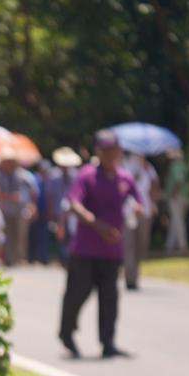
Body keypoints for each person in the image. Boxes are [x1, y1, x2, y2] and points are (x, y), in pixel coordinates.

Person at [58, 130, 144, 359]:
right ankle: (67, 332)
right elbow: (74, 204)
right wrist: (98, 225)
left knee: (110, 297)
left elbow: (139, 202)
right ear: (98, 151)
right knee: (78, 293)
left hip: (111, 251)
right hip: (85, 249)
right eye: (105, 150)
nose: (109, 154)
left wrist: (137, 209)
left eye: (113, 150)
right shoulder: (87, 176)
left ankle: (108, 342)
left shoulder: (125, 178)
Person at [0, 147, 38, 266]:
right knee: (8, 235)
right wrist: (8, 197)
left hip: (21, 210)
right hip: (6, 209)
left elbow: (32, 193)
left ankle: (20, 258)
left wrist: (33, 207)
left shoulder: (24, 176)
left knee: (21, 235)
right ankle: (9, 258)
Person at [121, 153, 158, 289]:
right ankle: (130, 278)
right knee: (129, 245)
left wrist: (153, 202)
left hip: (144, 211)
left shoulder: (148, 167)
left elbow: (154, 186)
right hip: (128, 212)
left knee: (142, 244)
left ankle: (134, 272)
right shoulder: (124, 165)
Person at [162, 148, 188, 252]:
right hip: (181, 196)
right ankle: (169, 245)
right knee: (175, 221)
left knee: (178, 221)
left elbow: (179, 180)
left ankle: (182, 245)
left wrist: (173, 194)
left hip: (177, 196)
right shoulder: (182, 165)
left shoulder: (176, 165)